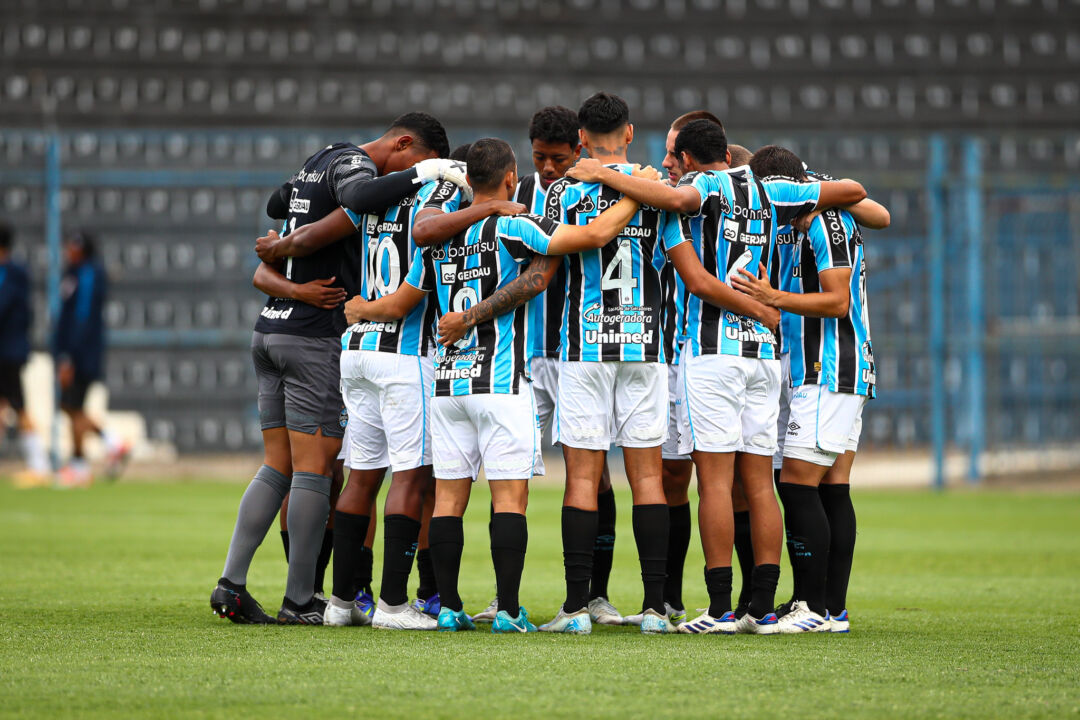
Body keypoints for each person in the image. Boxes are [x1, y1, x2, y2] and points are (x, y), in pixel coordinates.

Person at [566, 118, 867, 634]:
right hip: (765, 359)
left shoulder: (696, 190)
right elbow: (856, 192)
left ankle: (722, 608)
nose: (667, 168)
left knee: (715, 485)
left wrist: (606, 174)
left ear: (686, 159)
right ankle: (763, 608)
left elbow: (696, 270)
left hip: (712, 355)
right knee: (760, 487)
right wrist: (768, 311)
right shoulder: (774, 190)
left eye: (671, 158)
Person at [344, 138, 645, 633]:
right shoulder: (513, 224)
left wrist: (360, 309)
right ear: (510, 178)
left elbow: (403, 301)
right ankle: (507, 610)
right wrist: (637, 192)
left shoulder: (438, 236)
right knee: (510, 498)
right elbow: (593, 237)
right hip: (502, 382)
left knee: (447, 499)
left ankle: (449, 608)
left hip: (447, 383)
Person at [211, 113, 468, 625]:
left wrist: (289, 266)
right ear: (403, 144)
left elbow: (277, 206)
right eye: (414, 164)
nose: (398, 185)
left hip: (271, 328)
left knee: (276, 466)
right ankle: (300, 598)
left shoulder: (321, 160)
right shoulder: (354, 168)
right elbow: (356, 200)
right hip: (313, 337)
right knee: (313, 472)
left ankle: (231, 583)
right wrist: (426, 174)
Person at [736, 145, 888, 633]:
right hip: (813, 370)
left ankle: (814, 609)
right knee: (831, 490)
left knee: (797, 482)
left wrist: (771, 297)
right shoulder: (794, 219)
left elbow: (839, 302)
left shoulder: (826, 221)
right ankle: (826, 605)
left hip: (830, 368)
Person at [538, 92, 674, 635]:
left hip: (584, 346)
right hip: (644, 346)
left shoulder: (563, 193)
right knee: (647, 478)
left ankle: (576, 609)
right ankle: (656, 609)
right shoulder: (656, 190)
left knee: (582, 477)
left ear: (579, 141)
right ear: (630, 131)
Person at [53, 230, 129, 487]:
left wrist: (68, 358)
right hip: (77, 352)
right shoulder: (76, 273)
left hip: (81, 354)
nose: (67, 251)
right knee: (71, 407)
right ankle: (111, 444)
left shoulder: (87, 274)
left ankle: (79, 465)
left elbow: (82, 319)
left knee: (73, 407)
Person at [0, 224, 50, 486]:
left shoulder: (13, 273)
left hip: (8, 352)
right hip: (6, 350)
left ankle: (39, 464)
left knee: (18, 406)